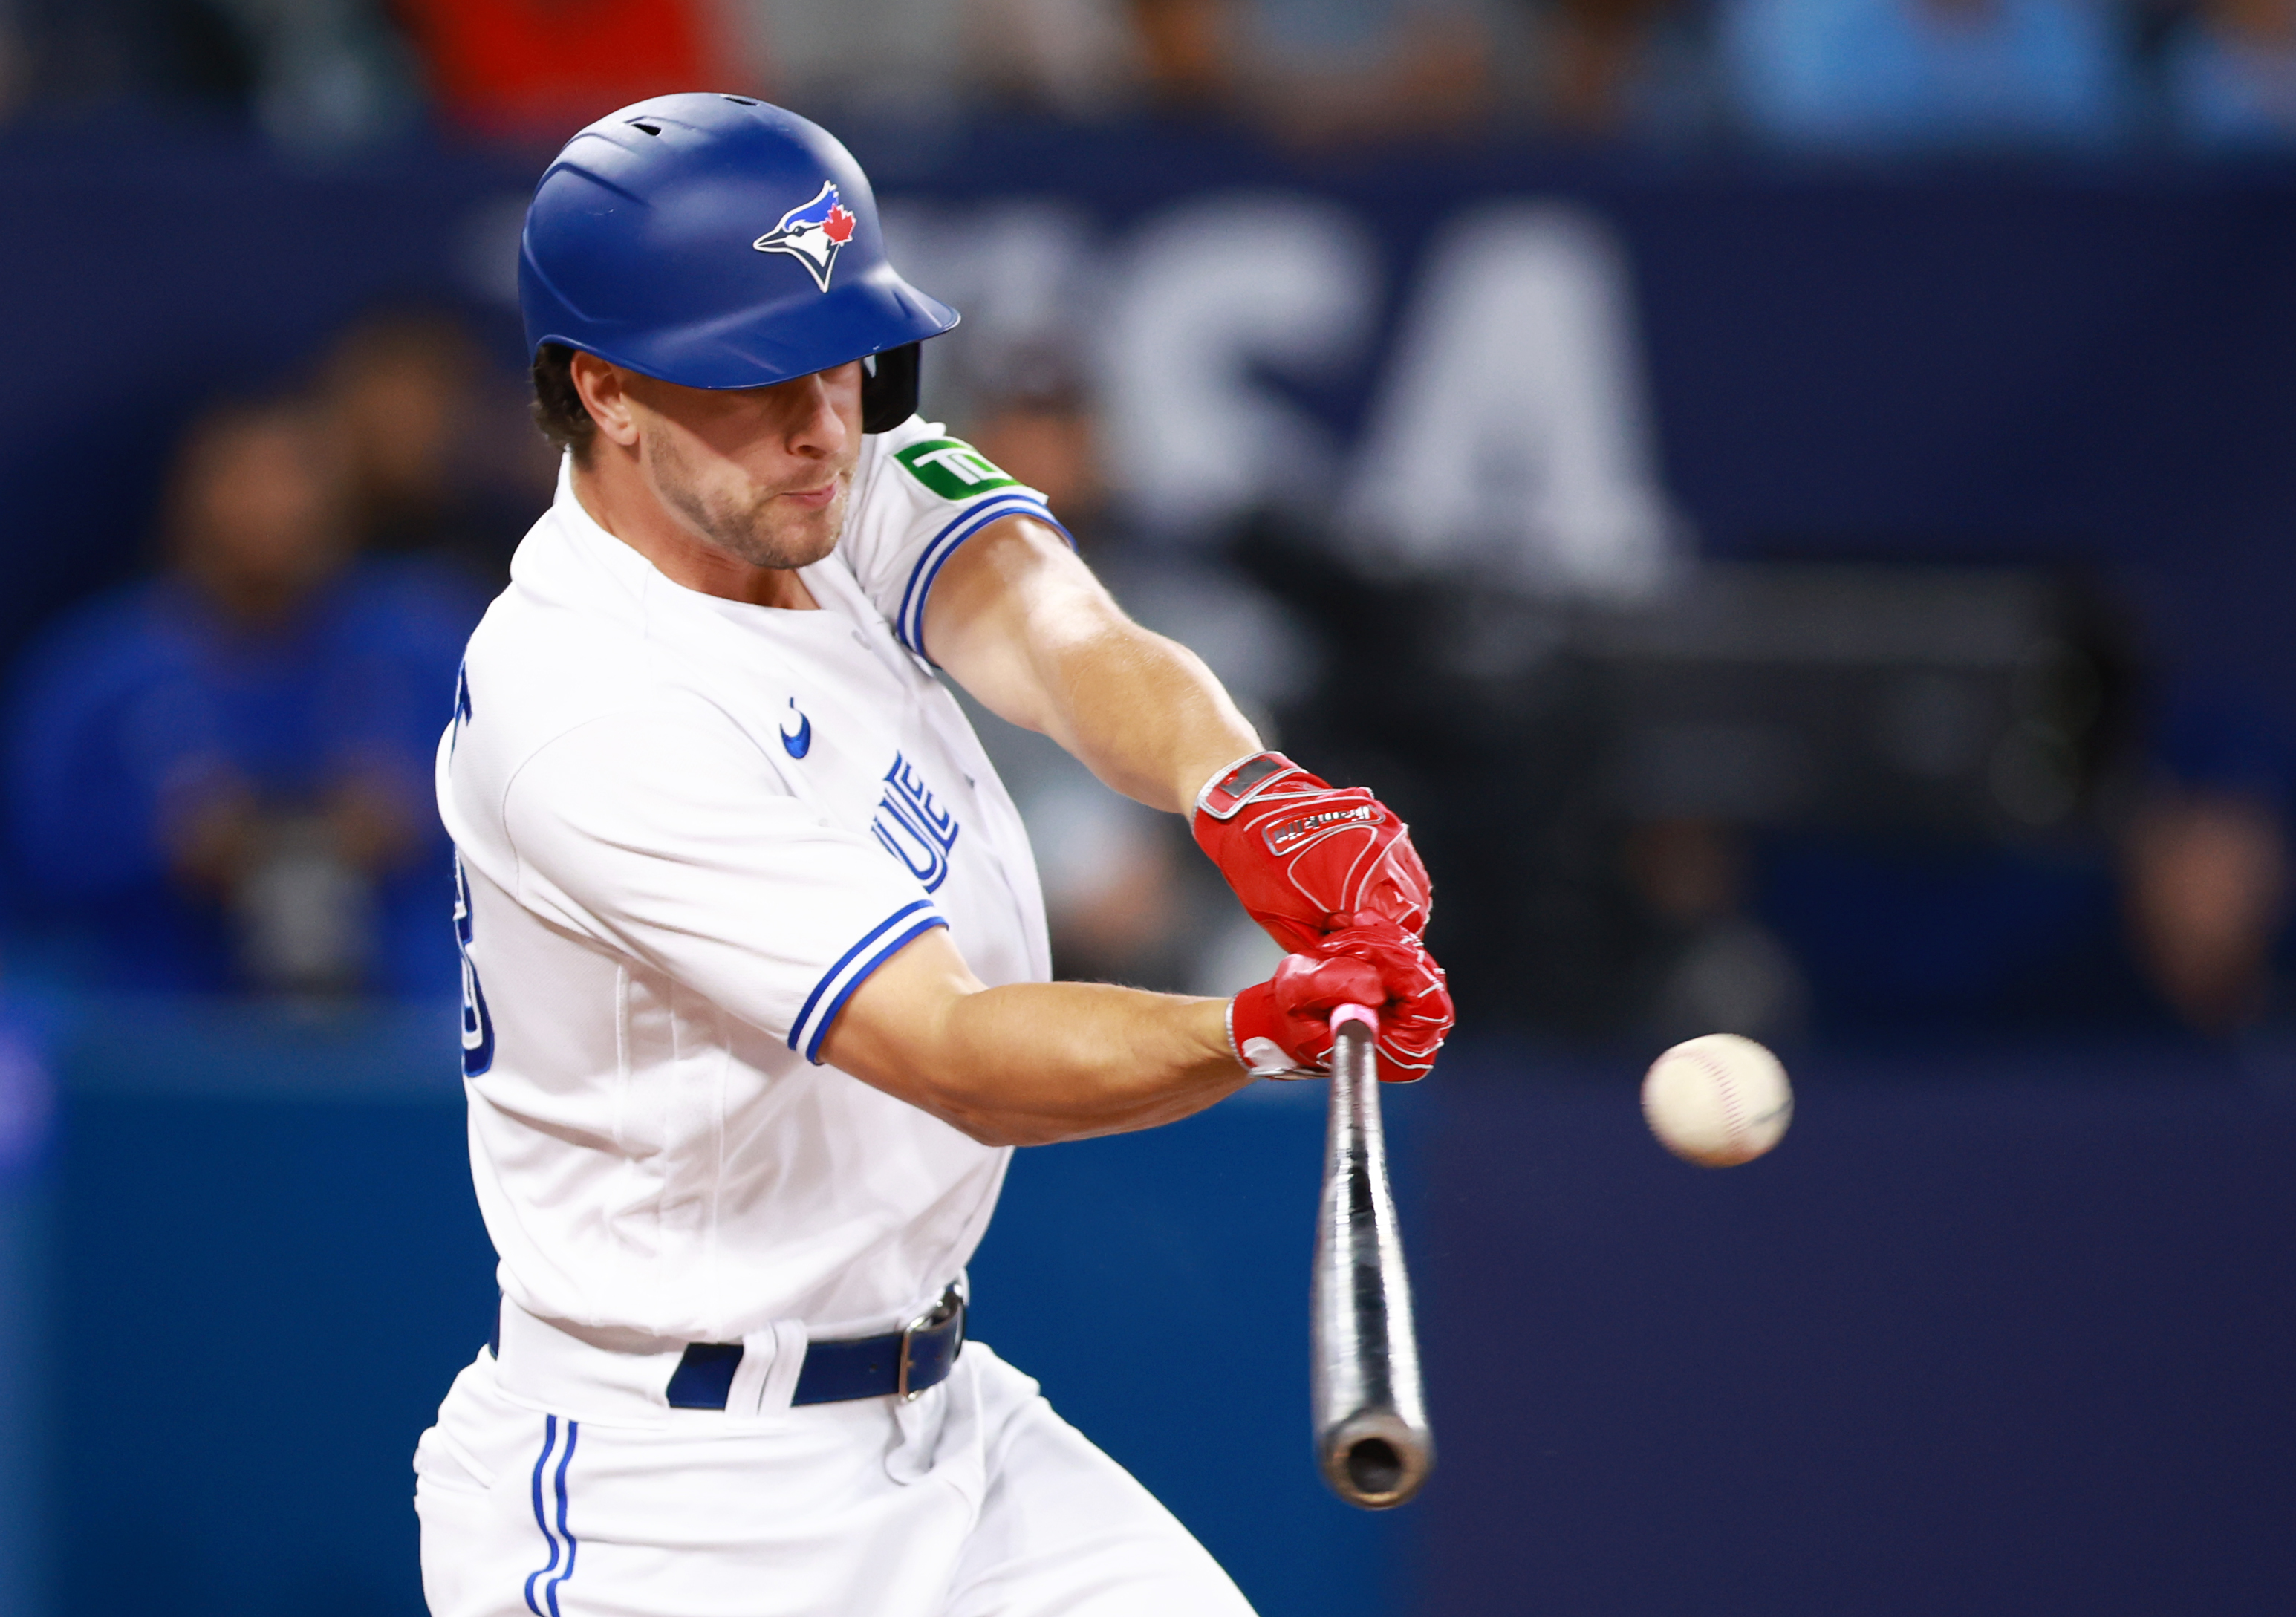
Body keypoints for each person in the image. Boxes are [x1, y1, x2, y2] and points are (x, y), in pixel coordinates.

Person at [412, 94, 1451, 1617]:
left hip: (936, 1416)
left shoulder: (811, 468)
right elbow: (952, 1045)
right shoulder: (584, 701)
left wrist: (1242, 786)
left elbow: (1047, 617)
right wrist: (1252, 1025)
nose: (823, 417)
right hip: (674, 1502)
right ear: (607, 392)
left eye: (846, 357)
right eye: (757, 375)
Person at [5, 392, 478, 995]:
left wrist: (411, 819)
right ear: (186, 499)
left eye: (295, 476)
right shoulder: (95, 677)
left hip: (411, 1032)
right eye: (241, 478)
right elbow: (35, 861)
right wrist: (164, 843)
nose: (271, 505)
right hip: (153, 1034)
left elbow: (544, 829)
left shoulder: (438, 648)